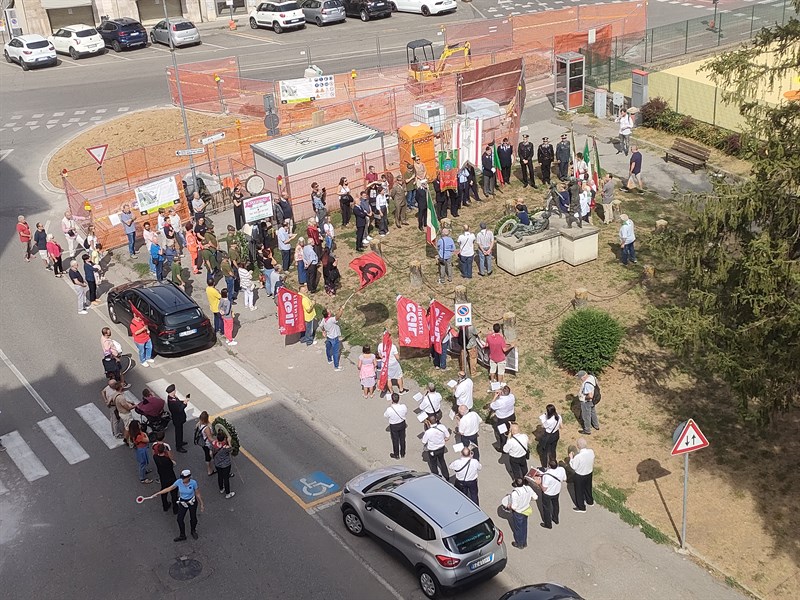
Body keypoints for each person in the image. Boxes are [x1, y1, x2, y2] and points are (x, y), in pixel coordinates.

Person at [148, 469, 205, 542]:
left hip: (192, 502)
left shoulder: (193, 483)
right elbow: (169, 488)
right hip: (182, 502)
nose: (182, 479)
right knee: (179, 519)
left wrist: (201, 504)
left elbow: (197, 493)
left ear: (189, 477)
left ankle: (193, 530)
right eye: (182, 477)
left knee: (193, 518)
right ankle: (182, 535)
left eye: (184, 478)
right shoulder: (179, 482)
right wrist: (158, 493)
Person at [502, 478, 536, 549]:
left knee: (518, 528)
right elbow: (535, 497)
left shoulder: (515, 494)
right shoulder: (528, 488)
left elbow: (514, 507)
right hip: (526, 509)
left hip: (518, 512)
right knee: (524, 526)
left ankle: (519, 543)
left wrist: (508, 506)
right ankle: (524, 542)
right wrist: (527, 499)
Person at [538, 458, 567, 529]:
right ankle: (555, 519)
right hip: (556, 491)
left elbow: (544, 489)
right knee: (555, 505)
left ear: (549, 466)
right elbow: (564, 479)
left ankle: (548, 524)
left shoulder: (546, 476)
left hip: (547, 494)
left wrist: (538, 483)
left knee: (546, 508)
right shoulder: (562, 470)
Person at [569, 437, 595, 512]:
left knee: (579, 491)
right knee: (588, 488)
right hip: (589, 473)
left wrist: (571, 458)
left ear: (578, 446)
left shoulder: (578, 457)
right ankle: (590, 501)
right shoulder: (591, 452)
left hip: (580, 476)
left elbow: (573, 466)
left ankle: (581, 507)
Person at [152, 441, 179, 513]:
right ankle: (175, 509)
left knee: (163, 491)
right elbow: (172, 464)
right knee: (174, 493)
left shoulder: (155, 457)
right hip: (171, 477)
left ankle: (165, 506)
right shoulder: (167, 460)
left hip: (163, 477)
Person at [537, 404, 562, 468]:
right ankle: (553, 462)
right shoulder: (558, 417)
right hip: (556, 434)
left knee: (544, 452)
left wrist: (543, 419)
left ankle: (545, 465)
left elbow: (543, 426)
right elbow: (561, 426)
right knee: (553, 450)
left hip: (548, 436)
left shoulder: (549, 421)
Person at [384, 392, 408, 459]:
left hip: (394, 426)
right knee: (402, 439)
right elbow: (406, 412)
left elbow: (385, 415)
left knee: (395, 440)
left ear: (392, 400)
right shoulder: (403, 406)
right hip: (402, 423)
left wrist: (390, 405)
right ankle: (403, 453)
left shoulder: (389, 409)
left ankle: (396, 455)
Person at [166, 384, 189, 452]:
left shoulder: (172, 397)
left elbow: (178, 403)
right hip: (177, 419)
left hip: (179, 418)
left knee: (180, 431)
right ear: (172, 391)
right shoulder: (172, 402)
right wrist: (184, 404)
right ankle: (178, 447)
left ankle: (180, 442)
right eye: (174, 390)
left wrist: (183, 402)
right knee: (178, 433)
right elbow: (179, 409)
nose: (175, 391)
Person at [212, 431, 235, 499]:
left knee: (220, 476)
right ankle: (228, 493)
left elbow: (211, 452)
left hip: (217, 463)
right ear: (224, 439)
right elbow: (231, 450)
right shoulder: (226, 447)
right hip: (225, 465)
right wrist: (229, 441)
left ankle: (221, 489)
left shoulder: (214, 443)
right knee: (226, 478)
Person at [321, 307, 344, 371]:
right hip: (334, 338)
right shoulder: (331, 320)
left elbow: (321, 325)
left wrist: (323, 331)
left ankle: (329, 360)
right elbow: (338, 316)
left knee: (328, 348)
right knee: (336, 352)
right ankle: (336, 366)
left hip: (328, 337)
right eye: (329, 311)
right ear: (328, 314)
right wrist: (341, 310)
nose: (330, 311)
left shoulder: (324, 319)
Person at [195, 411, 216, 476]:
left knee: (207, 454)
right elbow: (210, 438)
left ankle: (210, 468)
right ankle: (209, 470)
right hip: (207, 444)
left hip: (203, 443)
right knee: (208, 455)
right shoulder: (206, 428)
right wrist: (217, 442)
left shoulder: (199, 424)